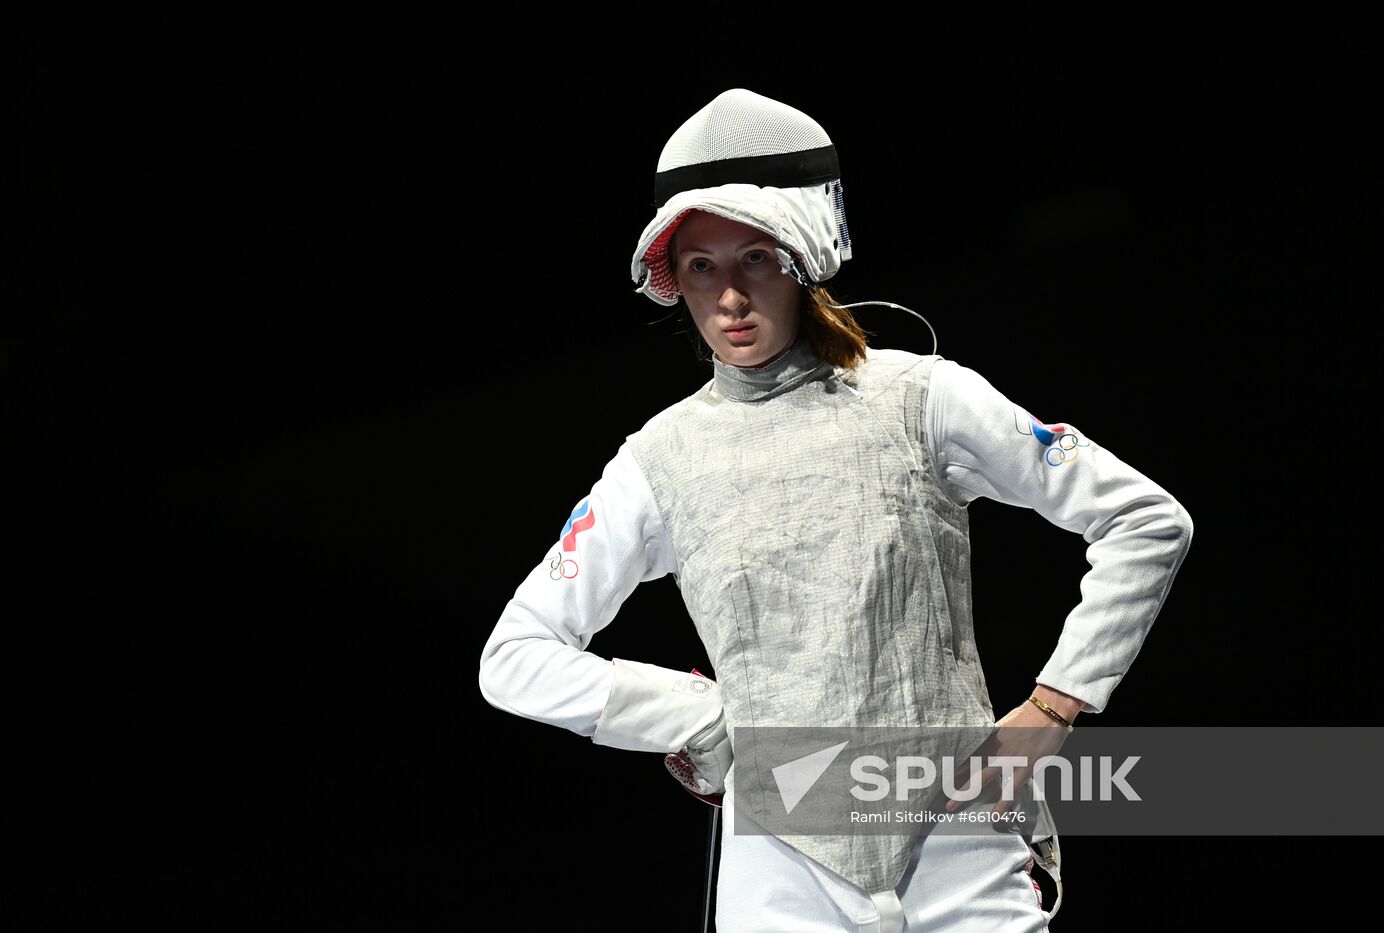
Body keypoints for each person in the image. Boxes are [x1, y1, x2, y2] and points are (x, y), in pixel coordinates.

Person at [479, 88, 1194, 932]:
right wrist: (698, 717)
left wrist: (1054, 705)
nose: (729, 298)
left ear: (803, 254)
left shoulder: (923, 398)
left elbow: (1147, 521)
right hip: (780, 873)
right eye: (701, 266)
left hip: (957, 841)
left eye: (755, 258)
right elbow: (515, 656)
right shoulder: (658, 461)